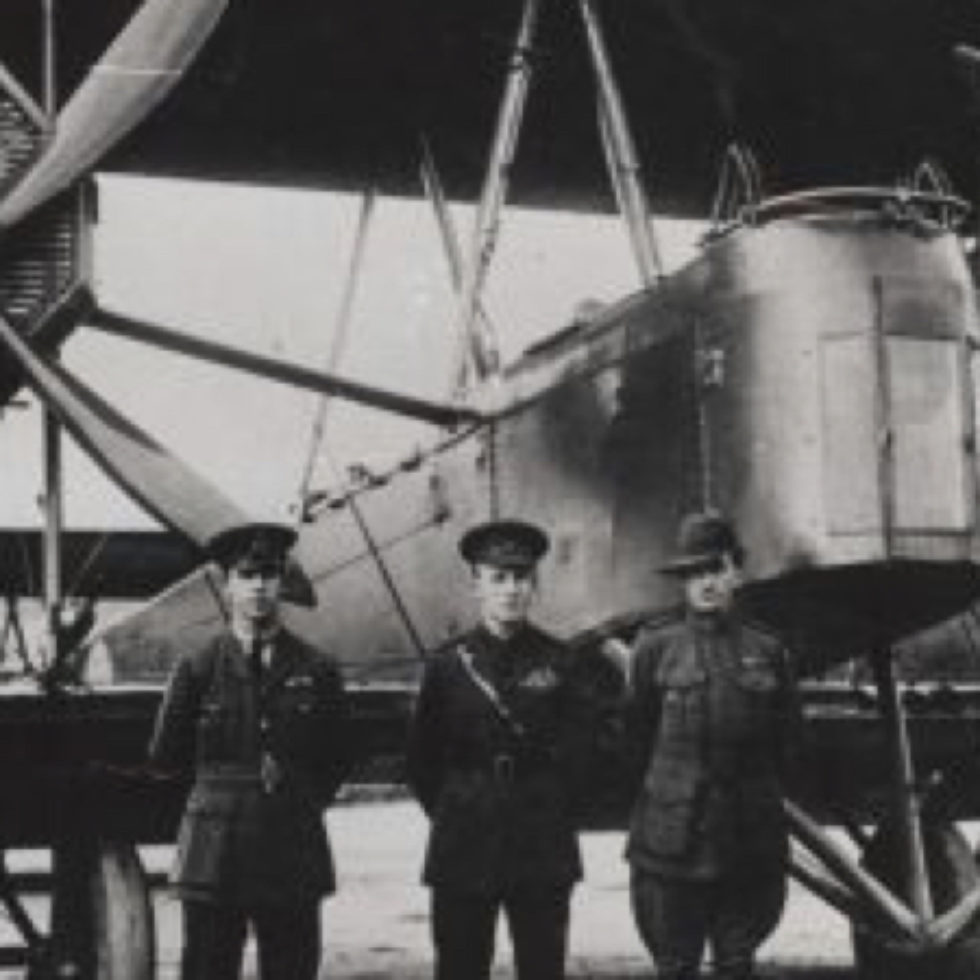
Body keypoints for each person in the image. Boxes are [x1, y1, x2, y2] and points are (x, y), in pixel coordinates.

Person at [148, 521, 350, 980]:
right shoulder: (197, 667)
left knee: (292, 967)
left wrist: (295, 801)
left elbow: (337, 758)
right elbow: (166, 757)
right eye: (246, 575)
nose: (258, 587)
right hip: (215, 855)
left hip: (291, 848)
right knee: (208, 967)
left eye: (269, 575)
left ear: (283, 582)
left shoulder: (317, 669)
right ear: (228, 584)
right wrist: (216, 803)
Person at [406, 518, 592, 980]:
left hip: (540, 837)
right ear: (477, 586)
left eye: (521, 577)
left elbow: (583, 754)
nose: (511, 590)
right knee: (461, 966)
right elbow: (421, 761)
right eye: (498, 578)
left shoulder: (561, 661)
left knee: (542, 965)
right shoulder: (448, 666)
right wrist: (460, 804)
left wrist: (551, 804)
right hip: (465, 838)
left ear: (534, 585)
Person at [625, 512, 801, 980]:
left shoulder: (768, 650)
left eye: (715, 569)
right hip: (672, 842)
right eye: (694, 573)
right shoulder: (655, 647)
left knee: (737, 964)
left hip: (747, 840)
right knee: (676, 964)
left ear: (735, 572)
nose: (706, 582)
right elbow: (637, 739)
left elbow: (787, 742)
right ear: (683, 581)